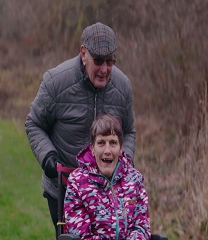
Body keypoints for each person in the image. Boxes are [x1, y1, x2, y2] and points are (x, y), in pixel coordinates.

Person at [25, 22, 136, 237]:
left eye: (110, 61)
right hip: (63, 190)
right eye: (99, 61)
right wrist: (48, 158)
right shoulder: (56, 82)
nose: (105, 69)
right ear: (83, 53)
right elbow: (34, 123)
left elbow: (129, 131)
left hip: (109, 191)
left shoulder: (122, 87)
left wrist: (126, 160)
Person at [64, 114, 150, 240]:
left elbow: (142, 227)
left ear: (121, 148)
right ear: (92, 149)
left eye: (113, 143)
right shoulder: (77, 182)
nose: (107, 150)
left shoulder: (134, 180)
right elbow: (81, 234)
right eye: (101, 143)